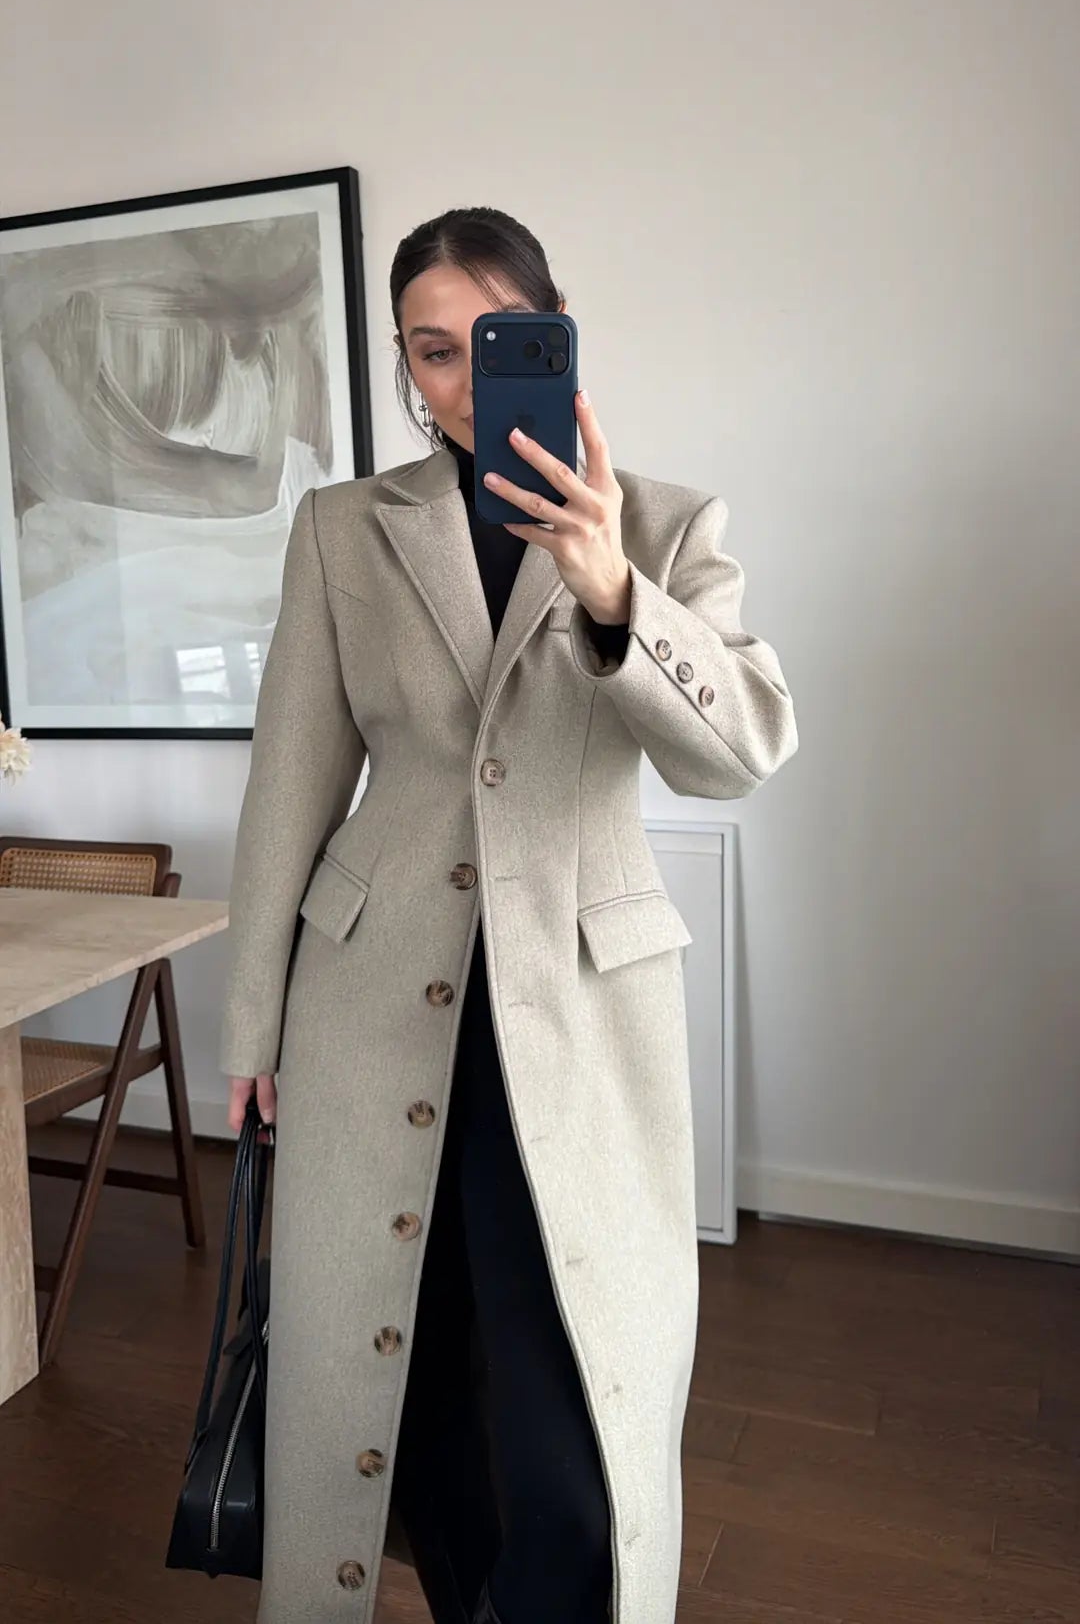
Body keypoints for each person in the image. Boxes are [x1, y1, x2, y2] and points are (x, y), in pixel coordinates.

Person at [221, 207, 798, 1624]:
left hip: (583, 1015)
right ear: (406, 368)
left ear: (554, 331)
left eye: (496, 342)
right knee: (406, 1369)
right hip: (370, 1003)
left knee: (573, 1381)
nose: (465, 382)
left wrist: (612, 589)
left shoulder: (665, 525)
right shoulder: (345, 530)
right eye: (433, 352)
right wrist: (250, 1029)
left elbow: (741, 749)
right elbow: (290, 788)